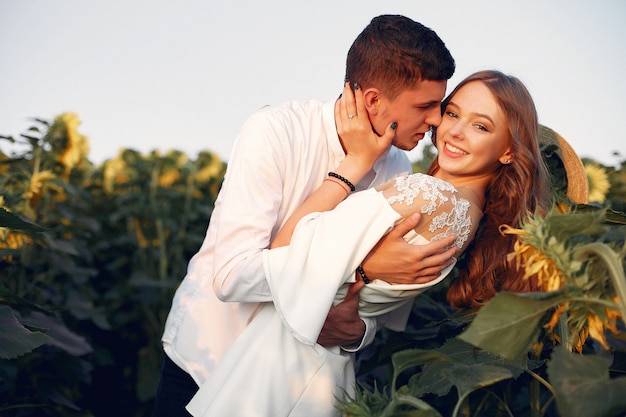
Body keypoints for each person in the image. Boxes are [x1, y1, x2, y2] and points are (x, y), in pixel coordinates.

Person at [185, 70, 552, 416]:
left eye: (480, 126)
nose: (453, 131)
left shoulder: (423, 192)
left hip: (276, 370)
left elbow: (285, 251)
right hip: (297, 369)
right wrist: (364, 273)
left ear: (508, 151)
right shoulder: (467, 215)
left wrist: (351, 167)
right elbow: (374, 301)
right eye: (452, 113)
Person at [153, 14, 457, 417]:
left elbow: (368, 310)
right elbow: (231, 275)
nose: (436, 120)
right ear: (372, 100)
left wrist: (355, 332)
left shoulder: (399, 172)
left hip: (294, 384)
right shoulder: (275, 132)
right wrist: (353, 171)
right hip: (209, 358)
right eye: (426, 106)